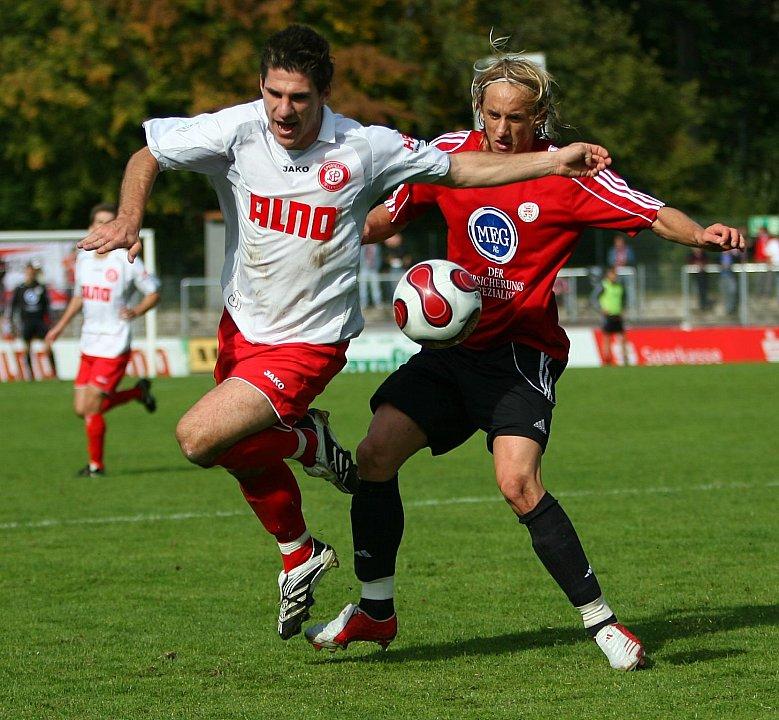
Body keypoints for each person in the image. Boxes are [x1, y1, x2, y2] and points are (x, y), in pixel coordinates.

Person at [76, 24, 613, 642]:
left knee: (197, 438)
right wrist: (128, 218)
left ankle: (307, 445)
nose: (283, 110)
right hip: (241, 324)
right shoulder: (238, 129)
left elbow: (461, 172)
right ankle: (299, 549)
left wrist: (556, 158)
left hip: (312, 339)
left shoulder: (364, 147)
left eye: (299, 98)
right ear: (262, 86)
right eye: (274, 93)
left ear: (323, 93)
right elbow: (149, 152)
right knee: (234, 448)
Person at [305, 48, 745, 670]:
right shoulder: (452, 155)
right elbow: (386, 217)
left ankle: (604, 625)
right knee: (375, 455)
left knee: (517, 483)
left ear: (539, 117)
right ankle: (376, 612)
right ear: (477, 110)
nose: (502, 131)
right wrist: (319, 228)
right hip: (453, 352)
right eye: (493, 116)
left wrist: (699, 232)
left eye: (517, 118)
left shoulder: (569, 175)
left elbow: (649, 211)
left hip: (520, 354)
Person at [45, 203, 160, 477]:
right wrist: (59, 327)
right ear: (90, 226)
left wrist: (136, 311)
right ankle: (136, 393)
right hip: (89, 343)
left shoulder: (125, 260)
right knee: (80, 408)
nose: (102, 227)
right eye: (98, 222)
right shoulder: (83, 257)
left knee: (91, 407)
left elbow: (154, 291)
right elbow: (78, 297)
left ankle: (96, 466)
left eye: (108, 222)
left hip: (114, 344)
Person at [7, 260, 57, 379]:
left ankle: (55, 373)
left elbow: (47, 306)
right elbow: (14, 307)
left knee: (48, 347)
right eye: (28, 272)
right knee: (27, 348)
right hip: (26, 322)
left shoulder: (40, 286)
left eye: (32, 272)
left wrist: (50, 322)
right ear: (25, 272)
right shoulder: (20, 288)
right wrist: (11, 322)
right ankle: (30, 375)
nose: (30, 274)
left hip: (40, 321)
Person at [598, 266, 628, 365]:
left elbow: (624, 300)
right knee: (606, 338)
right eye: (612, 274)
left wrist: (623, 309)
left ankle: (625, 360)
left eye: (615, 275)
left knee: (622, 338)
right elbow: (593, 299)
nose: (614, 277)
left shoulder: (620, 287)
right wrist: (601, 309)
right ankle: (606, 360)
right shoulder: (603, 285)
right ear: (608, 275)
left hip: (617, 315)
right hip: (607, 316)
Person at [359, 243, 383, 309]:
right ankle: (363, 303)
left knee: (376, 287)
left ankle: (377, 303)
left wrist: (377, 267)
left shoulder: (377, 247)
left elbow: (379, 257)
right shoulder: (362, 247)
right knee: (363, 287)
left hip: (374, 269)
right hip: (363, 269)